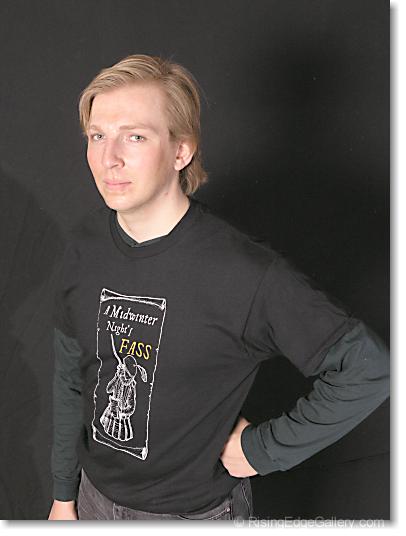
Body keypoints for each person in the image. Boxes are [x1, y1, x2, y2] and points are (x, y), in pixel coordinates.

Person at [47, 54, 389, 521]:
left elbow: (369, 369)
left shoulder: (244, 273)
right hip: (91, 501)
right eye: (97, 136)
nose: (110, 158)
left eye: (136, 136)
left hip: (192, 516)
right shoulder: (84, 247)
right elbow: (71, 374)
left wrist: (263, 449)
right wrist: (64, 494)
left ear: (181, 151)